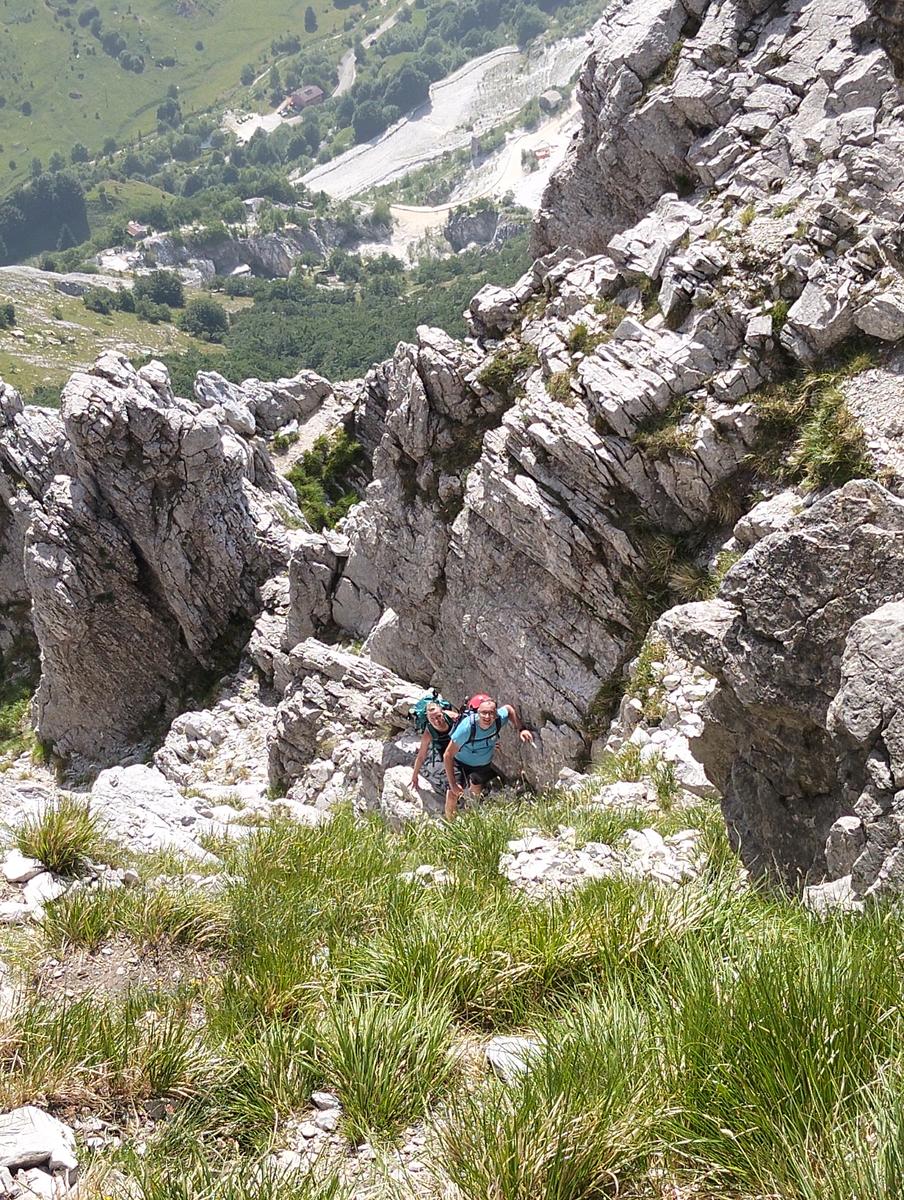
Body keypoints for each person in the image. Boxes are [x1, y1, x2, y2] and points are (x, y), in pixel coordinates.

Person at [443, 695, 534, 820]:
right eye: (484, 713)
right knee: (452, 794)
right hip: (461, 762)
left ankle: (472, 813)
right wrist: (453, 784)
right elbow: (448, 755)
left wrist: (521, 729)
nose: (487, 717)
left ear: (496, 714)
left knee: (477, 785)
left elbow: (508, 709)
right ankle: (450, 824)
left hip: (482, 763)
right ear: (478, 713)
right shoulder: (467, 727)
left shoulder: (498, 720)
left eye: (491, 713)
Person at [410, 701, 459, 789]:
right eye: (432, 719)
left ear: (442, 713)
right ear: (428, 719)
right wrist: (414, 776)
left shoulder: (452, 717)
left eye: (438, 716)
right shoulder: (428, 733)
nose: (436, 721)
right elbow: (421, 756)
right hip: (444, 751)